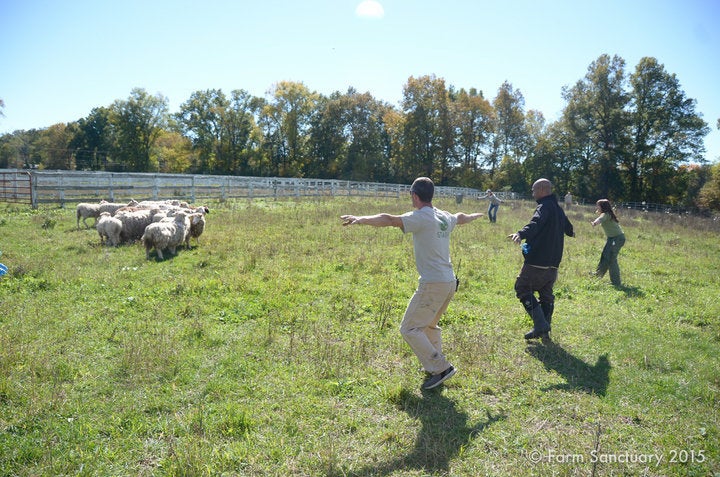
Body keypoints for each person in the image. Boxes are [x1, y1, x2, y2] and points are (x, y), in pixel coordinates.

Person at [341, 177, 483, 390]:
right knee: (429, 325)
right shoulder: (443, 216)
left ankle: (440, 368)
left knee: (409, 328)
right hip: (449, 282)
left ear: (415, 196)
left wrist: (360, 219)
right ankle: (435, 366)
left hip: (433, 284)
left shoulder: (421, 217)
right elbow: (460, 217)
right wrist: (473, 216)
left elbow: (389, 219)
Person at [508, 178, 574, 341]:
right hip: (554, 263)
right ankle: (544, 330)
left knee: (522, 287)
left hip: (538, 260)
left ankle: (540, 324)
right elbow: (569, 228)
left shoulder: (543, 207)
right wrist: (571, 232)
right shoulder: (558, 209)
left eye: (534, 190)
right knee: (546, 294)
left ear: (543, 189)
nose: (533, 193)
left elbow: (535, 223)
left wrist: (521, 234)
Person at [591, 199, 625, 287]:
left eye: (598, 205)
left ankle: (616, 282)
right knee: (605, 255)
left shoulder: (606, 214)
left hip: (617, 239)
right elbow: (600, 216)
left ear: (602, 206)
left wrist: (595, 223)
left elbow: (600, 219)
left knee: (611, 259)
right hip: (611, 239)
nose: (597, 207)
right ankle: (598, 274)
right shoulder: (606, 214)